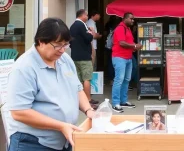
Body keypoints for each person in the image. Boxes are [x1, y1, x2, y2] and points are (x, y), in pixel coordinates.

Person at [6, 18, 96, 151]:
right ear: (41, 42)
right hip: (32, 142)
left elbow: (77, 89)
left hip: (63, 140)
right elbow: (19, 112)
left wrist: (89, 110)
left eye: (66, 44)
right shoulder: (24, 68)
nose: (62, 50)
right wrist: (60, 125)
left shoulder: (64, 60)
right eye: (58, 45)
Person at [111, 12, 142, 113]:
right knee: (119, 79)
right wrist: (134, 46)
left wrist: (135, 46)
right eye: (131, 19)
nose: (133, 20)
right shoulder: (120, 28)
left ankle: (123, 101)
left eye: (133, 19)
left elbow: (129, 42)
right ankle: (115, 103)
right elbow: (122, 43)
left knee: (126, 79)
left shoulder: (127, 29)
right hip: (119, 57)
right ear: (124, 19)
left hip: (128, 58)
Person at [70, 9, 98, 109]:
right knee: (87, 78)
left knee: (79, 79)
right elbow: (88, 38)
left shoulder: (72, 25)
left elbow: (71, 42)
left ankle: (81, 100)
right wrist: (91, 32)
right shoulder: (82, 25)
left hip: (75, 56)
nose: (87, 17)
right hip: (84, 57)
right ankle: (88, 100)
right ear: (82, 15)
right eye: (86, 15)